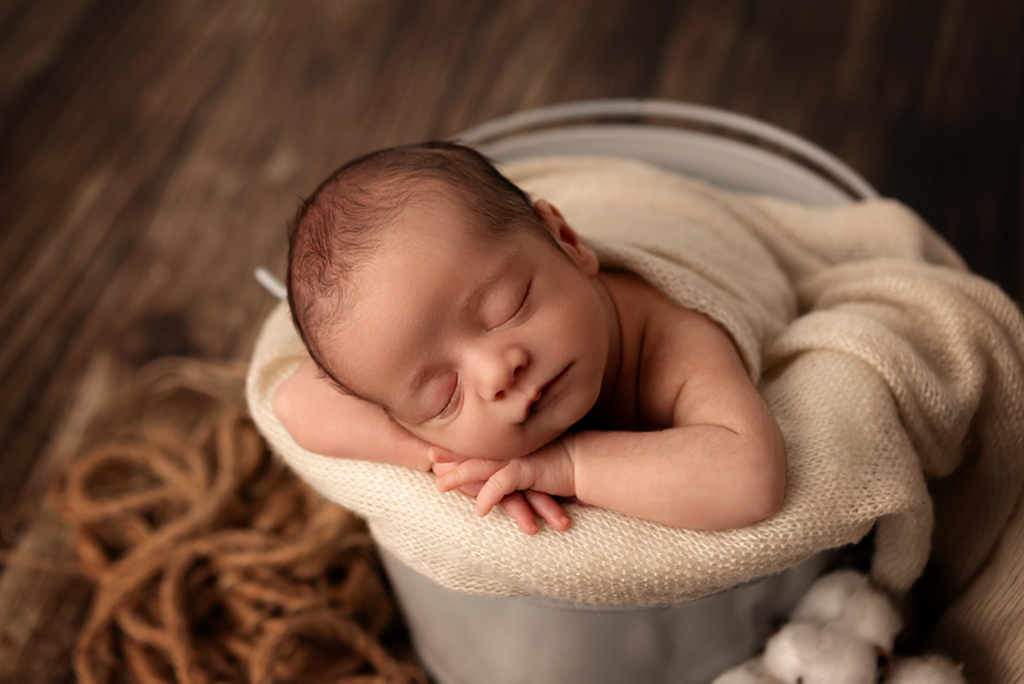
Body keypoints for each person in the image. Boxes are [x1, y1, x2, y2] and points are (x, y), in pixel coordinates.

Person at [273, 141, 786, 535]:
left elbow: (750, 477)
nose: (497, 372)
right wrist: (444, 459)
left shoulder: (673, 342)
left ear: (568, 243)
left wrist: (568, 465)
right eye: (443, 395)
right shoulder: (412, 396)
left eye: (507, 308)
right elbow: (295, 402)